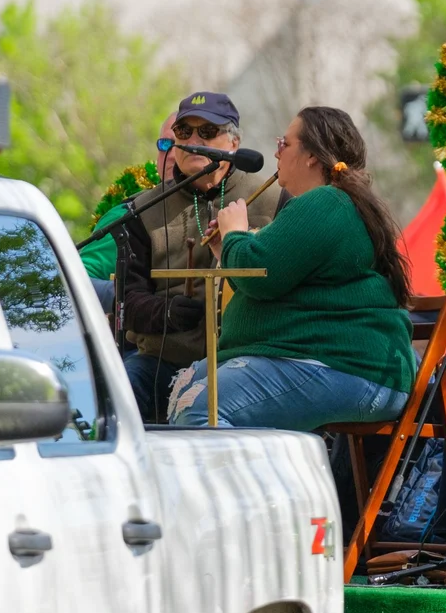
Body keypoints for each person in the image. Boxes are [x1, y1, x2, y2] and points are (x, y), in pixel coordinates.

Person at [168, 106, 415, 429]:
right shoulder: (326, 203)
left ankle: (256, 481)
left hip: (345, 368)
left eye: (284, 144)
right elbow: (270, 279)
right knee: (183, 387)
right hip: (329, 365)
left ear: (312, 155)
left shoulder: (327, 201)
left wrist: (235, 235)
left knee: (201, 408)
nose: (276, 152)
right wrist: (226, 249)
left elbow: (259, 275)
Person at [117, 92, 281, 422]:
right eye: (183, 132)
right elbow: (127, 302)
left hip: (245, 361)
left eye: (207, 132)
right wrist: (167, 313)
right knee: (115, 398)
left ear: (234, 143)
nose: (193, 140)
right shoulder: (141, 210)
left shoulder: (276, 201)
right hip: (164, 360)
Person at [80, 113, 177, 313]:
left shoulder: (241, 203)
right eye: (166, 144)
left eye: (185, 145)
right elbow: (73, 283)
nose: (174, 155)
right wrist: (131, 298)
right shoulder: (130, 215)